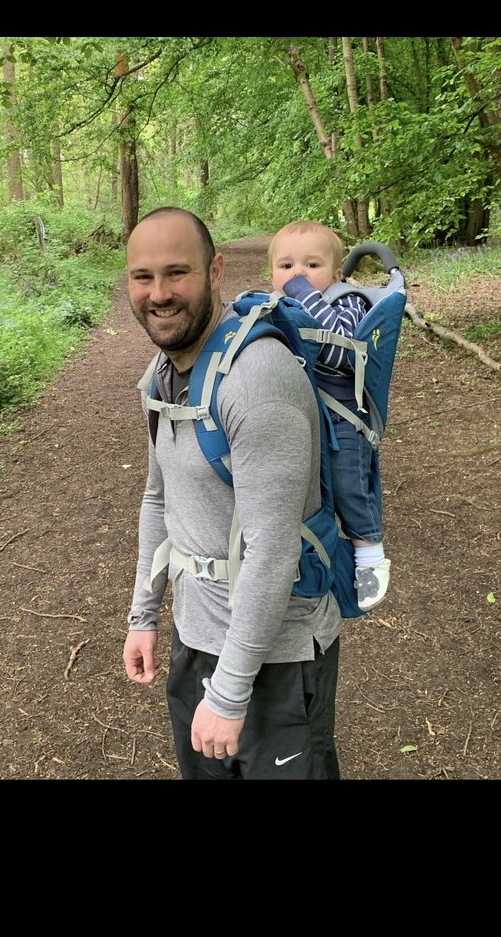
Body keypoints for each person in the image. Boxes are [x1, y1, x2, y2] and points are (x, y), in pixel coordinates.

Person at [123, 207, 342, 780]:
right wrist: (143, 615)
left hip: (277, 657)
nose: (159, 293)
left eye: (178, 273)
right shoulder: (164, 375)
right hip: (197, 638)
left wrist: (229, 694)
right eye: (143, 277)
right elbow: (157, 499)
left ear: (215, 271)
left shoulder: (257, 379)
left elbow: (272, 548)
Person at [269, 219, 390, 611]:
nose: (298, 274)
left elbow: (342, 353)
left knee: (348, 485)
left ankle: (369, 551)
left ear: (336, 273)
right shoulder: (279, 306)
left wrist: (304, 293)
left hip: (343, 418)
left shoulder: (344, 301)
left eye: (311, 266)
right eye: (286, 267)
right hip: (300, 416)